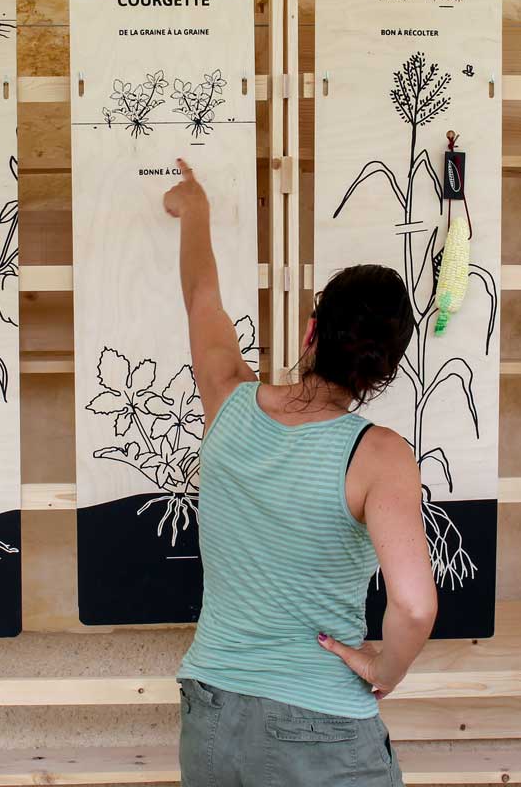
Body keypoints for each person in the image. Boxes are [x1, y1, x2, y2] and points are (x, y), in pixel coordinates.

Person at [162, 159, 437, 787]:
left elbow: (202, 297)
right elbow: (415, 606)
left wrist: (195, 205)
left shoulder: (227, 400)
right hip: (320, 725)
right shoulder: (380, 455)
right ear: (385, 371)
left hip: (210, 711)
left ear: (312, 330)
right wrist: (385, 671)